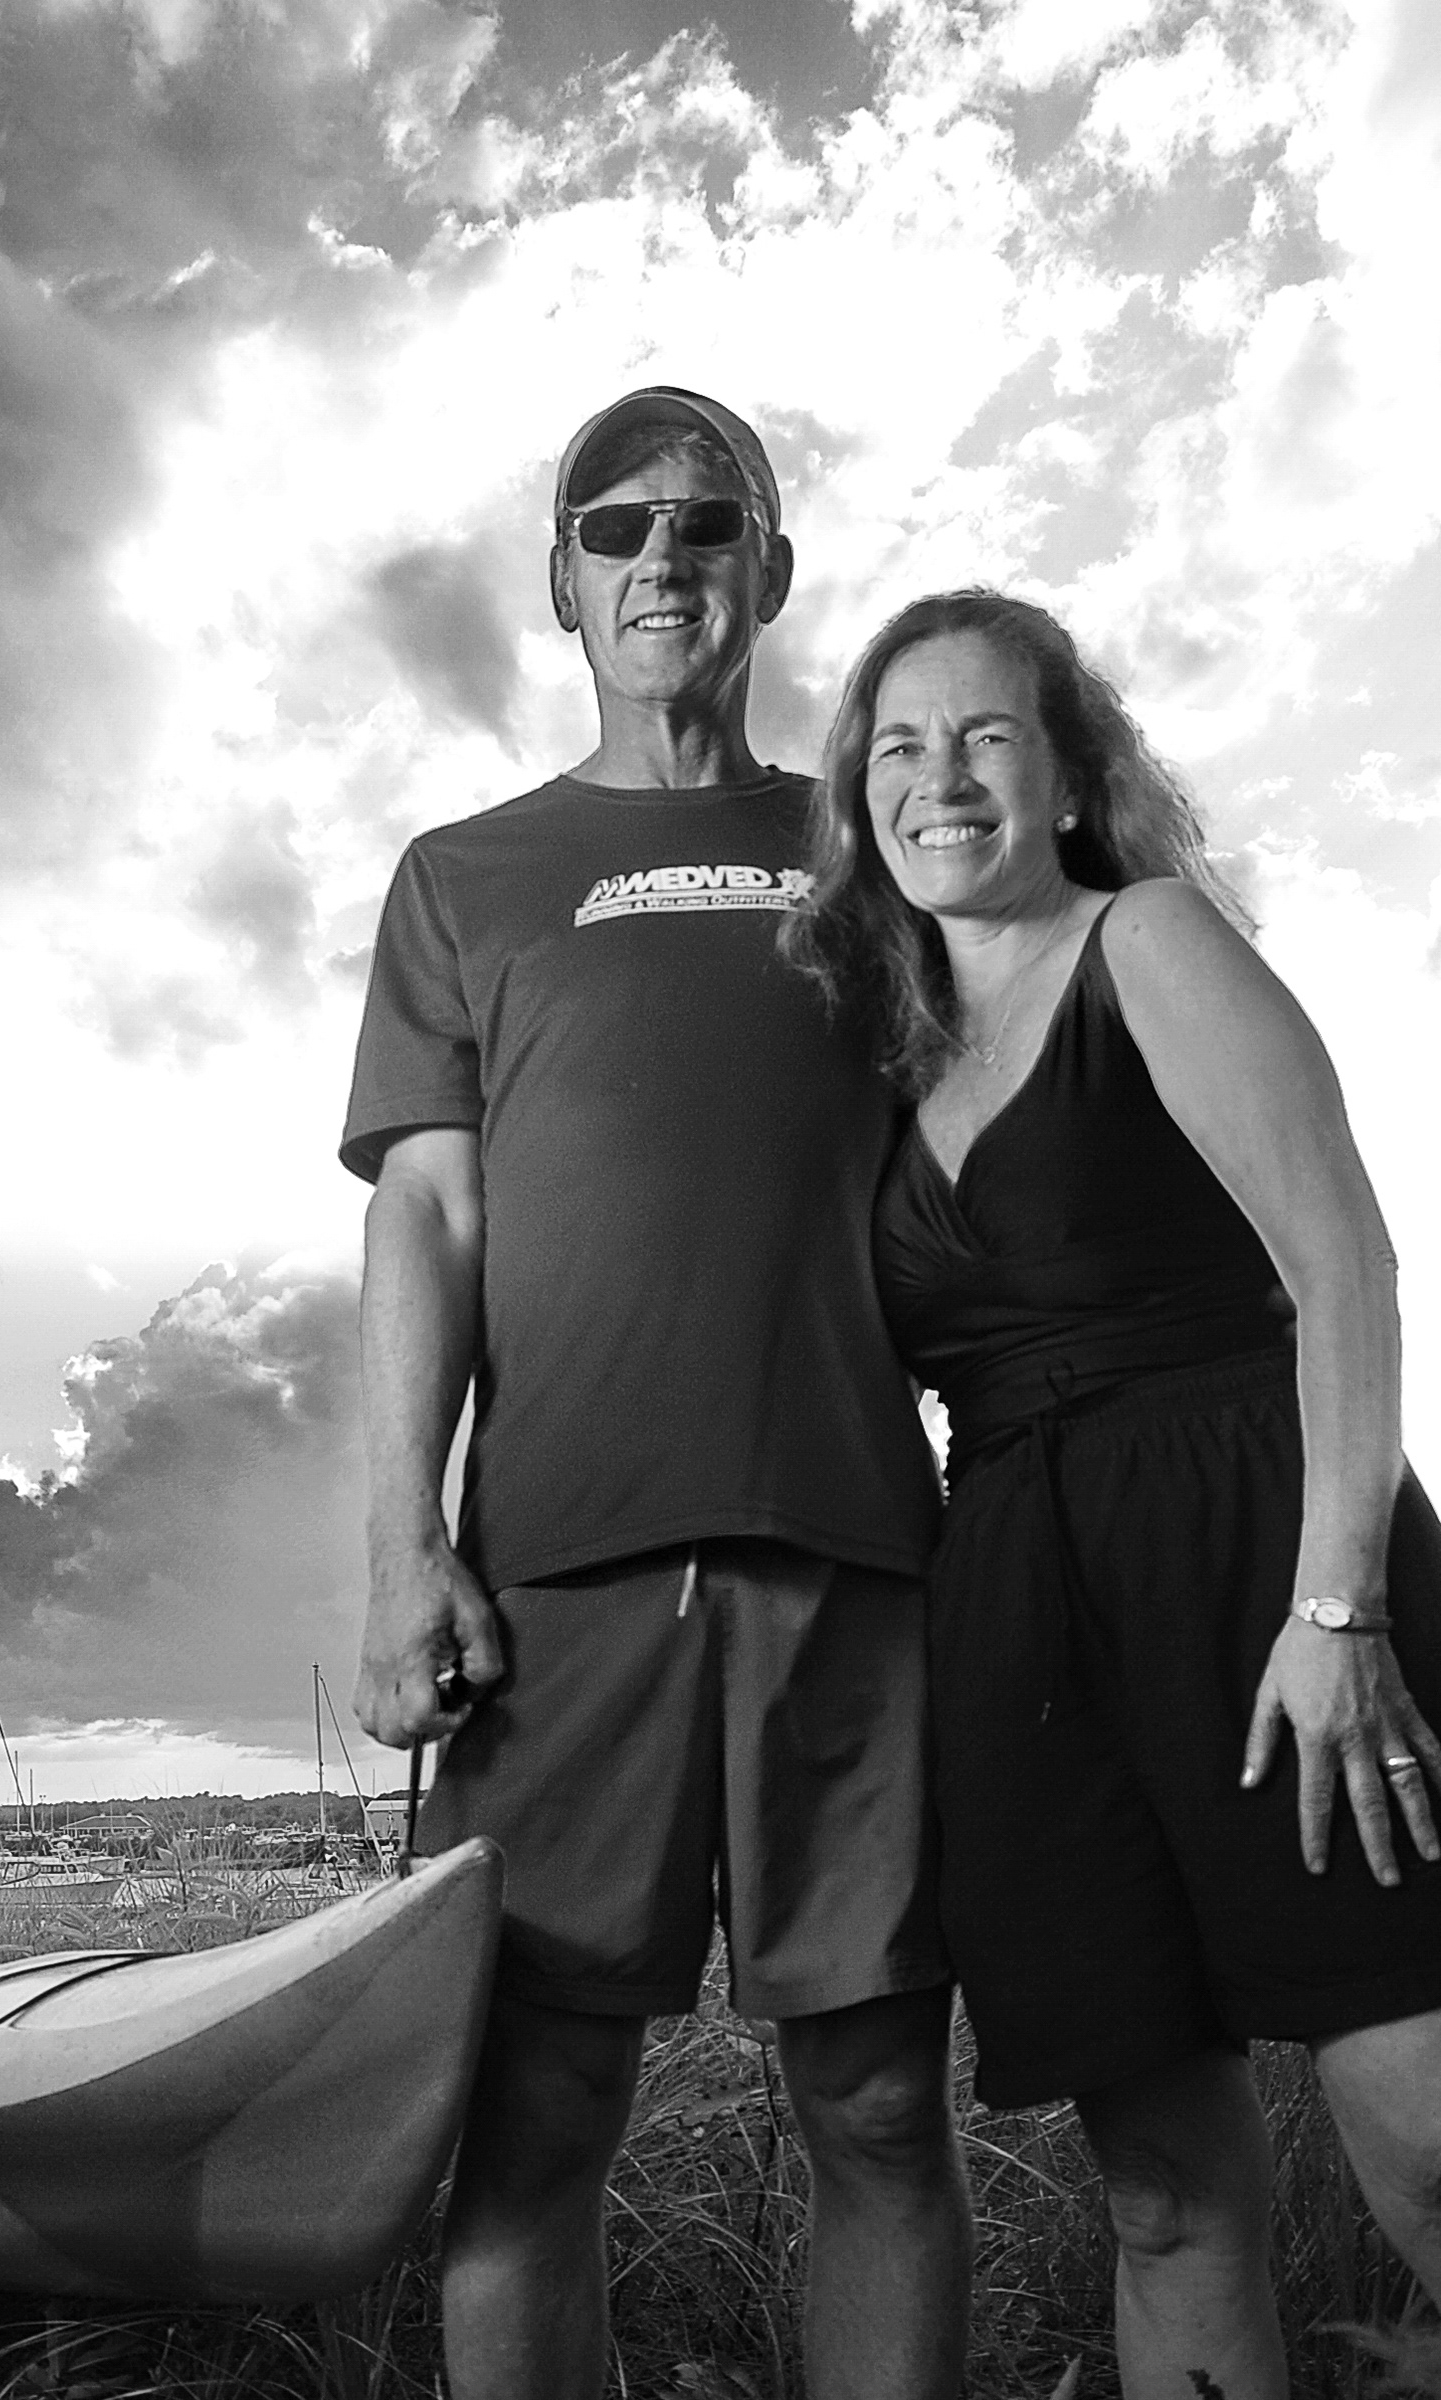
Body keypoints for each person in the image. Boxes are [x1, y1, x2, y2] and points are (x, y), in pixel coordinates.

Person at [340, 390, 973, 2400]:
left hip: (852, 1558)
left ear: (770, 569)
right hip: (558, 1584)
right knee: (533, 2128)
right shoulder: (465, 875)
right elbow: (430, 1216)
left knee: (882, 2109)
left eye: (709, 521)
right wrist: (401, 1544)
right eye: (613, 527)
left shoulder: (878, 852)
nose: (661, 556)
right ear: (561, 582)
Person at [783, 586, 1441, 2398]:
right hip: (1021, 1616)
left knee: (1424, 2130)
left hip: (1256, 1558)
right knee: (1159, 2191)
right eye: (900, 747)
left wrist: (1339, 1605)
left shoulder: (1146, 938)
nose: (941, 778)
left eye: (986, 734)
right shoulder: (888, 1052)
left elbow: (1346, 1262)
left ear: (1069, 777)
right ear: (860, 797)